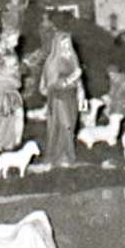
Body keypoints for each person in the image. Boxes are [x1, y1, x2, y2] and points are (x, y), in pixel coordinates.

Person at [38, 27, 83, 165]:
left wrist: (82, 94)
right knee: (64, 125)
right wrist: (71, 78)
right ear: (57, 45)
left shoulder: (73, 57)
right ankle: (61, 156)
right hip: (58, 98)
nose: (66, 47)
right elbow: (51, 84)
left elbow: (79, 79)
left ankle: (66, 155)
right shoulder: (52, 61)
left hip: (71, 97)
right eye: (63, 44)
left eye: (68, 43)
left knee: (71, 125)